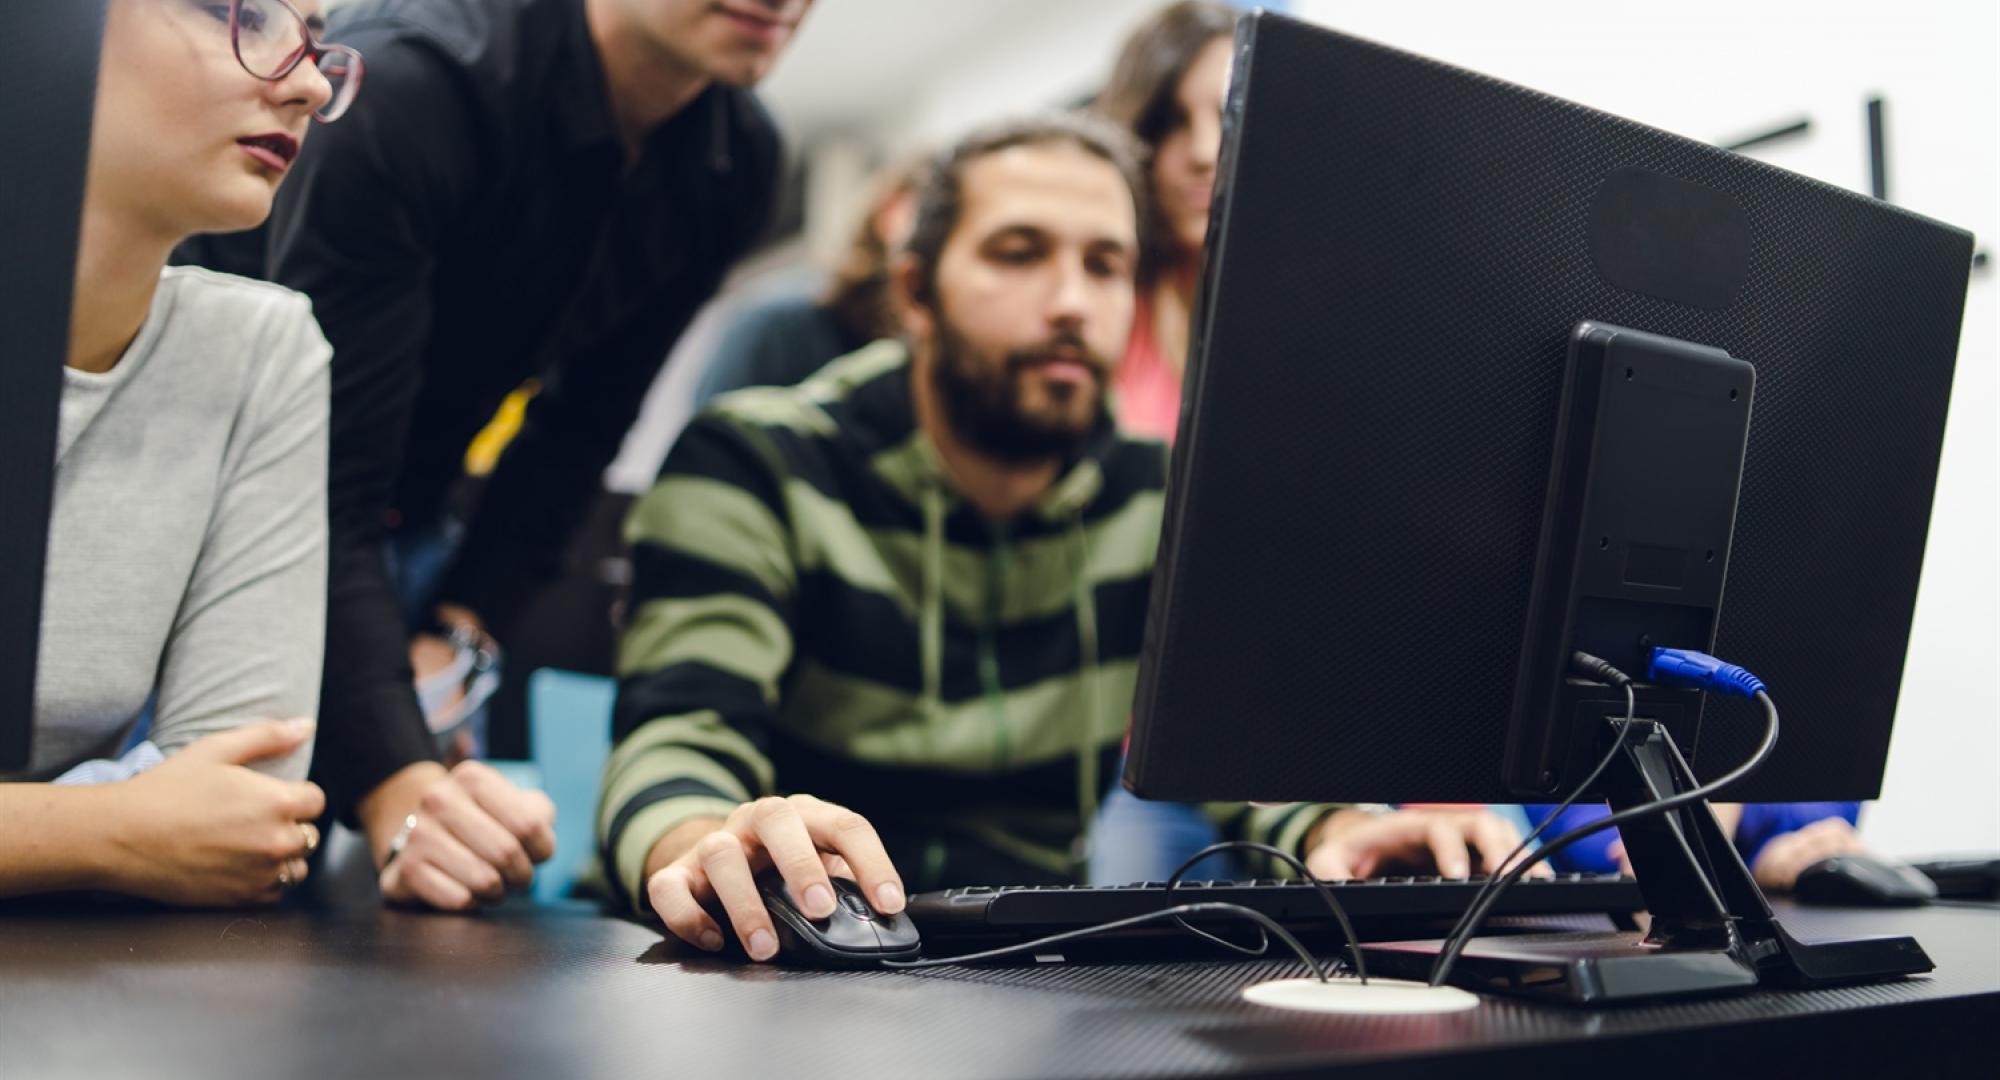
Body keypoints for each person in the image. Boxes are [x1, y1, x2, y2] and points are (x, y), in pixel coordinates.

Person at [596, 114, 1541, 959]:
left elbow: (1230, 754)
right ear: (917, 294)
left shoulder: (1159, 493)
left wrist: (1334, 829)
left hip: (1023, 964)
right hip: (792, 953)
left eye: (1104, 265)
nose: (1072, 303)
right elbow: (677, 733)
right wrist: (704, 842)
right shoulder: (758, 460)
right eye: (1018, 252)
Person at [182, 0, 813, 912]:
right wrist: (402, 784)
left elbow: (580, 433)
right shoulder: (416, 83)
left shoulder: (737, 159)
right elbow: (320, 480)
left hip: (401, 523)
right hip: (227, 505)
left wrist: (461, 635)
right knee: (240, 884)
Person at [0, 0, 353, 903]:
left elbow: (247, 811)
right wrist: (105, 830)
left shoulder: (260, 353)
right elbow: (170, 829)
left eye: (315, 37)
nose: (310, 83)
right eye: (244, 14)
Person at [1084, 0, 1238, 884]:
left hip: (1263, 737)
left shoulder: (1301, 333)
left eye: (1226, 116)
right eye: (1170, 122)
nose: (1202, 151)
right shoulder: (1093, 319)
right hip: (1122, 748)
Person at [690, 158, 928, 408]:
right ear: (891, 209)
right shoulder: (780, 322)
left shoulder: (929, 357)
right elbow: (710, 433)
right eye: (932, 212)